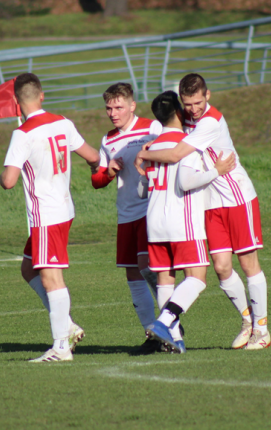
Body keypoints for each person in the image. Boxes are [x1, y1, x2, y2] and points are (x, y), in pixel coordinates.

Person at [136, 73, 271, 351]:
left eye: (198, 102)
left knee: (247, 264)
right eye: (187, 104)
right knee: (221, 267)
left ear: (207, 96)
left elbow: (175, 155)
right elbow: (168, 127)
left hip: (236, 197)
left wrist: (144, 154)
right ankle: (248, 322)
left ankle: (263, 328)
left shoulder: (210, 122)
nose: (193, 109)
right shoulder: (187, 119)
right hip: (210, 203)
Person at [0, 73, 100, 362]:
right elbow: (91, 155)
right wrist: (103, 166)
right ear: (42, 95)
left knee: (51, 278)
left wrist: (2, 173)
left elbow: (8, 181)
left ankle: (60, 347)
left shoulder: (23, 133)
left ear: (17, 102)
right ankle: (67, 325)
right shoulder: (63, 122)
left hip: (46, 215)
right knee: (28, 269)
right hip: (64, 210)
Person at [138, 91, 236, 353]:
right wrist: (217, 171)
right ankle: (163, 322)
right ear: (179, 112)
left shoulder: (151, 146)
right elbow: (186, 181)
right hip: (182, 221)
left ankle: (173, 339)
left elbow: (142, 188)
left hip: (154, 221)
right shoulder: (186, 143)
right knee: (197, 278)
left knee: (165, 280)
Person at [91, 83, 163, 354]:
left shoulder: (152, 128)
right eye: (109, 107)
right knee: (133, 275)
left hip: (150, 209)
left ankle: (170, 323)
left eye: (118, 107)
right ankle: (152, 334)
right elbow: (96, 181)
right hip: (126, 214)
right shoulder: (107, 140)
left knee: (146, 267)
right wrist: (108, 172)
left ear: (132, 106)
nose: (113, 112)